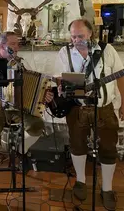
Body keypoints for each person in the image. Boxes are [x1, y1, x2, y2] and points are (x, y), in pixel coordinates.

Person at [0, 31, 54, 211]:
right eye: (13, 44)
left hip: (17, 107)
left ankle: (21, 148)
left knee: (38, 125)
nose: (17, 47)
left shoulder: (21, 64)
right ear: (2, 47)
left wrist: (44, 93)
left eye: (17, 44)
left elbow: (36, 83)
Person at [55, 19, 124, 211]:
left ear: (91, 34)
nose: (76, 40)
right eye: (73, 36)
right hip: (77, 108)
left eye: (81, 36)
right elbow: (59, 77)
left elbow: (120, 76)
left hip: (106, 107)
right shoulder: (64, 52)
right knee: (77, 145)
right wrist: (61, 86)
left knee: (109, 147)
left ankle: (108, 189)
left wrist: (123, 104)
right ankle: (80, 181)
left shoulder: (107, 50)